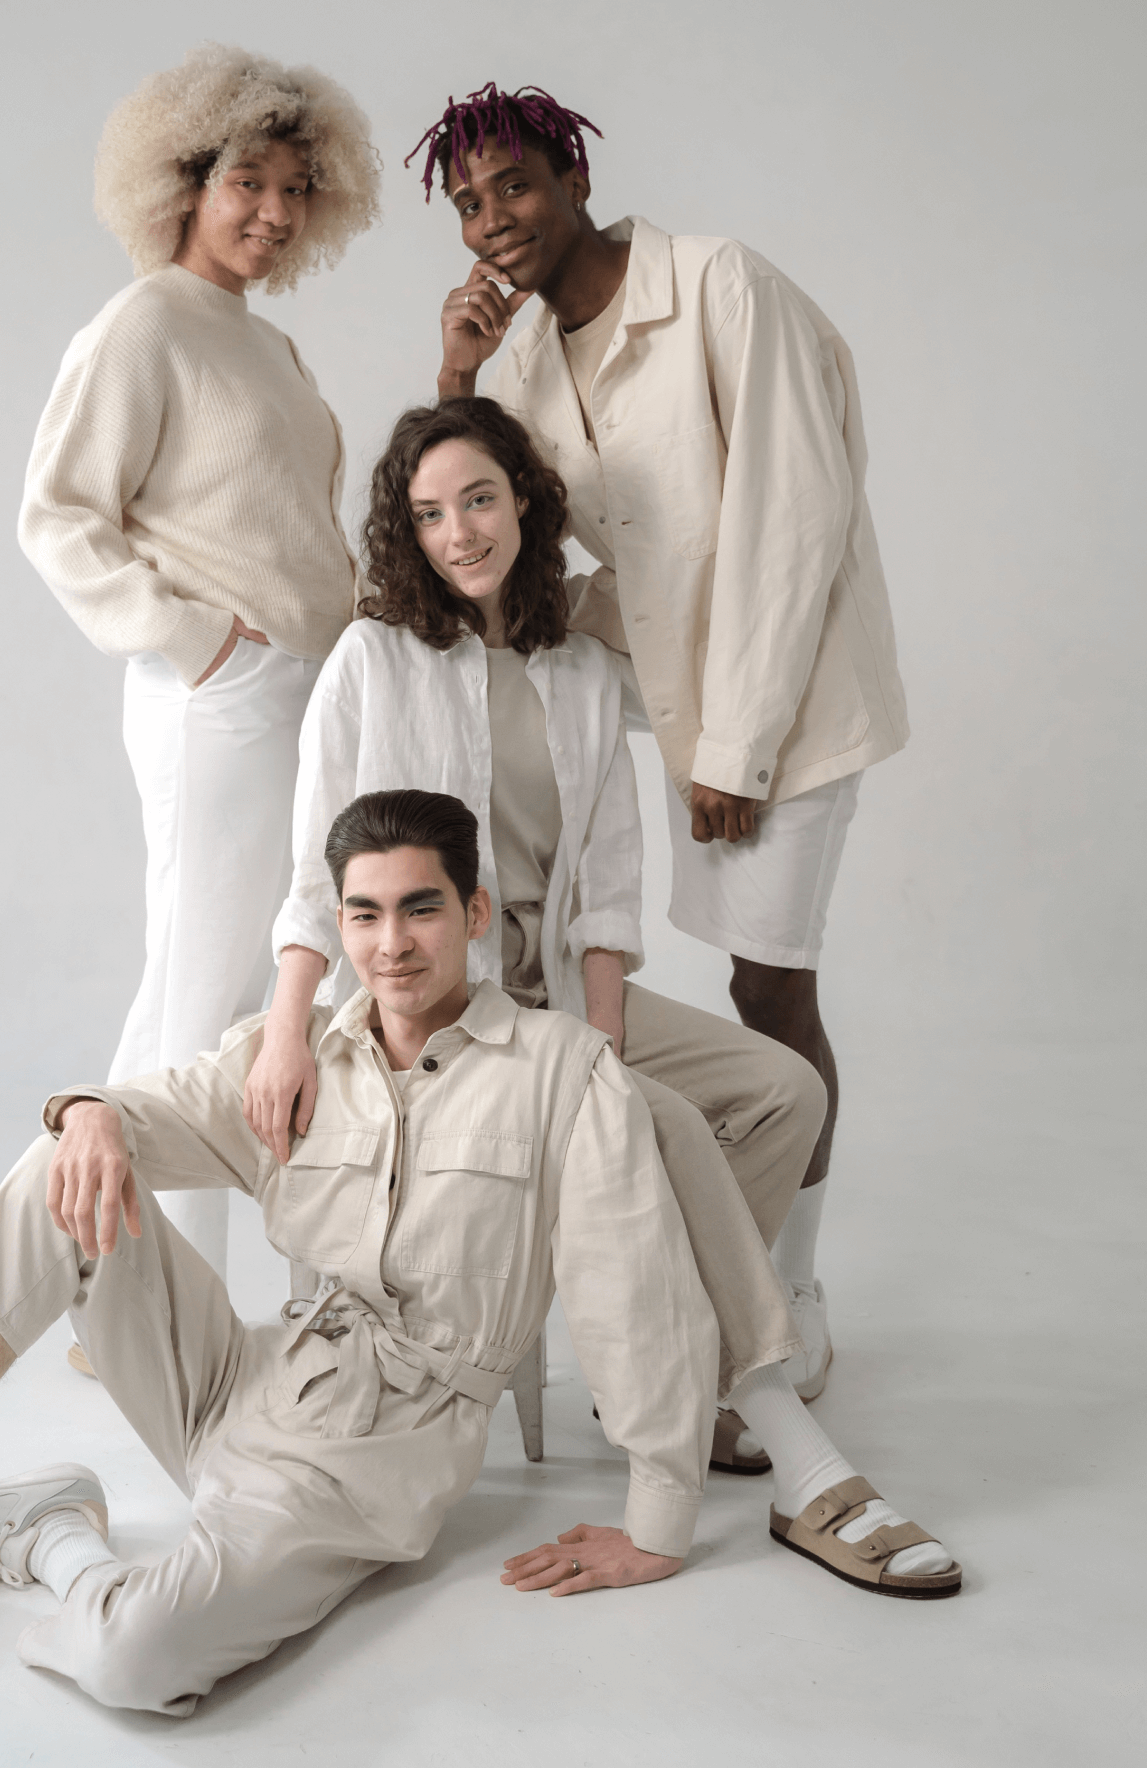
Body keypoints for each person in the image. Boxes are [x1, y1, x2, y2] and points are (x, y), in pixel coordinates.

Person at [0, 792, 960, 1713]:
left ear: (474, 914)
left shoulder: (561, 1073)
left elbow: (630, 1286)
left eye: (419, 908)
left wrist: (659, 1518)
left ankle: (40, 1538)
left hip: (364, 1457)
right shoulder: (298, 1059)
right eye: (362, 914)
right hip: (234, 1384)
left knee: (135, 1663)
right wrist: (82, 1110)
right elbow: (144, 1110)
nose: (390, 944)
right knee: (67, 1162)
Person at [413, 82, 912, 1398]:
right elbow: (498, 534)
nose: (492, 219)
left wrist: (736, 748)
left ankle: (790, 1284)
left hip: (787, 699)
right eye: (466, 203)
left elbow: (791, 519)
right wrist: (459, 380)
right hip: (676, 686)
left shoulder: (718, 287)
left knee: (769, 990)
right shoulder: (528, 365)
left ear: (573, 179)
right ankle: (674, 1266)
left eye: (513, 185)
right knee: (667, 970)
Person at [248, 398, 827, 1477]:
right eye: (429, 515)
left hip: (556, 991)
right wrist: (287, 1030)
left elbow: (607, 878)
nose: (459, 533)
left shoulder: (581, 670)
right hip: (434, 1007)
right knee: (655, 1129)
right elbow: (313, 875)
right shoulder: (372, 660)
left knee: (782, 1092)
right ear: (407, 532)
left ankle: (673, 1357)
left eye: (478, 500)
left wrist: (599, 1045)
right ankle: (660, 1361)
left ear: (523, 499)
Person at [18, 43, 379, 1285]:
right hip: (220, 699)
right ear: (183, 180)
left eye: (295, 190)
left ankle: (107, 1281)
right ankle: (169, 1308)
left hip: (299, 692)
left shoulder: (262, 343)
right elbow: (58, 514)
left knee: (243, 980)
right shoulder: (145, 323)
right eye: (246, 183)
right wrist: (197, 642)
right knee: (205, 994)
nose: (272, 213)